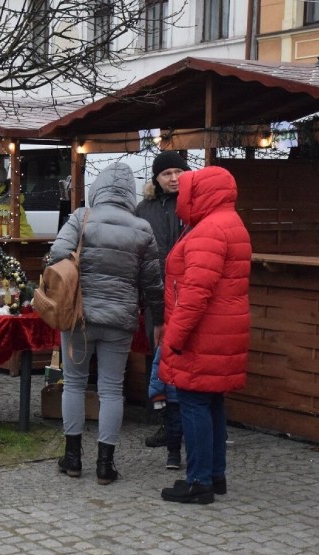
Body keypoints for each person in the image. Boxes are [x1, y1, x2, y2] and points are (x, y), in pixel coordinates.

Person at [50, 163, 164, 485]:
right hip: (119, 319)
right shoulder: (142, 228)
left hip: (78, 316)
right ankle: (105, 465)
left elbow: (57, 253)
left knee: (73, 383)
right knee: (112, 389)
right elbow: (153, 283)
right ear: (129, 193)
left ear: (97, 188)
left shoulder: (80, 217)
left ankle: (72, 458)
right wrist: (159, 318)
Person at [158, 166, 251, 505]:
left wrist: (174, 338)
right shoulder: (230, 223)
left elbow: (195, 294)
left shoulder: (207, 231)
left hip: (202, 334)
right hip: (223, 331)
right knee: (212, 401)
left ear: (199, 193)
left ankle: (198, 481)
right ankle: (215, 475)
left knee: (194, 402)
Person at [135, 151, 191, 469]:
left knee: (182, 360)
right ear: (156, 178)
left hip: (185, 292)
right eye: (167, 173)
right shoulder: (144, 209)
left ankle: (181, 424)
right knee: (156, 358)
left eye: (177, 171)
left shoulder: (193, 204)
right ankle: (163, 422)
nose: (173, 178)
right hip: (155, 293)